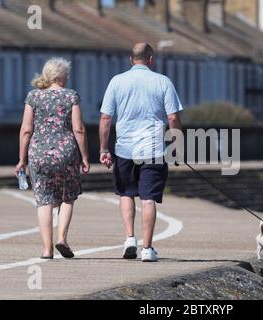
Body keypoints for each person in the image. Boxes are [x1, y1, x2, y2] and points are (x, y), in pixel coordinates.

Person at [99, 43, 183, 262]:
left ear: (131, 59)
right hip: (153, 149)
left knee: (126, 193)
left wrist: (103, 148)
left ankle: (129, 238)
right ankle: (147, 248)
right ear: (151, 59)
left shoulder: (116, 81)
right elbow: (173, 118)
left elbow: (106, 118)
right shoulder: (163, 82)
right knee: (148, 199)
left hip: (125, 148)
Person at [15, 57, 90, 259]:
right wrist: (84, 156)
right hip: (66, 153)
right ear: (60, 76)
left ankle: (47, 249)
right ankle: (62, 239)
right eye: (66, 74)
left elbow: (26, 130)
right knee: (67, 197)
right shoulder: (71, 96)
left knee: (44, 201)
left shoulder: (33, 97)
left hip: (38, 154)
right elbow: (79, 129)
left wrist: (22, 159)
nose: (68, 77)